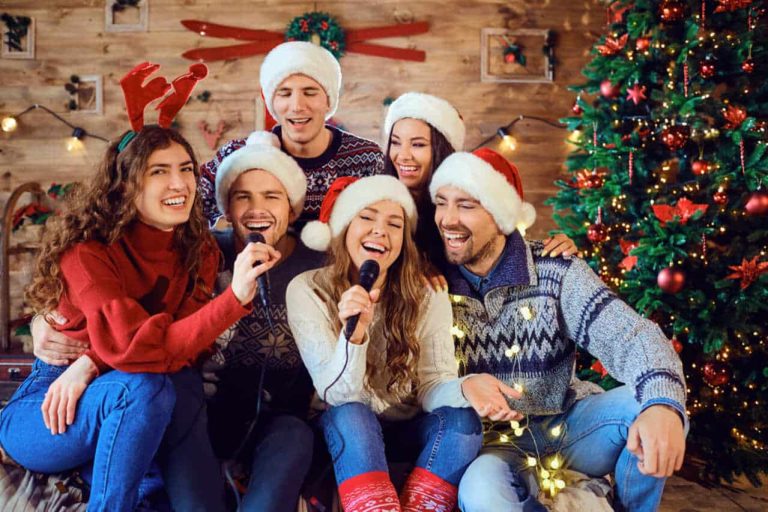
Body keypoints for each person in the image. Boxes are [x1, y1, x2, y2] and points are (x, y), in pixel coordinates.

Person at [0, 125, 266, 511]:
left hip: (135, 406)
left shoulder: (199, 250)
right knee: (143, 387)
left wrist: (92, 362)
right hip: (52, 403)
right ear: (125, 184)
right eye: (158, 171)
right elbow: (132, 346)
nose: (179, 183)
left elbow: (190, 345)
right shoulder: (88, 251)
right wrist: (234, 299)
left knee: (166, 385)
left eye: (186, 168)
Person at [427, 148, 687, 512]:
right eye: (442, 203)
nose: (448, 219)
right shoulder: (430, 285)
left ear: (501, 215)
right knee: (481, 492)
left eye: (466, 205)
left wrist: (662, 406)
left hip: (570, 425)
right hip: (494, 448)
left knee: (654, 404)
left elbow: (631, 335)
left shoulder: (554, 270)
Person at [287, 175, 483, 512]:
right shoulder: (307, 289)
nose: (380, 231)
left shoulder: (425, 293)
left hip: (407, 425)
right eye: (366, 217)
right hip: (343, 424)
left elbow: (434, 382)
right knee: (353, 415)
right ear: (345, 228)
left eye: (394, 224)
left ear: (403, 241)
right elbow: (338, 394)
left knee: (464, 422)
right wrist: (355, 335)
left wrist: (467, 390)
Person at [204, 131, 325, 511]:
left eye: (271, 196)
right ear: (227, 207)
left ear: (291, 208)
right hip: (207, 411)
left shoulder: (319, 261)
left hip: (284, 420)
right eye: (243, 197)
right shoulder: (206, 255)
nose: (257, 209)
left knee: (294, 437)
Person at [382, 92, 576, 284]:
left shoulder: (459, 202)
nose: (402, 155)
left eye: (417, 144)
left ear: (441, 149)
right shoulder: (379, 202)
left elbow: (501, 249)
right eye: (395, 142)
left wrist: (557, 250)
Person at [200, 41, 385, 228]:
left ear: (328, 101)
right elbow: (193, 212)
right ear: (273, 103)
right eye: (285, 93)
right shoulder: (237, 155)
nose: (297, 106)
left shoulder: (367, 158)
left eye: (310, 93)